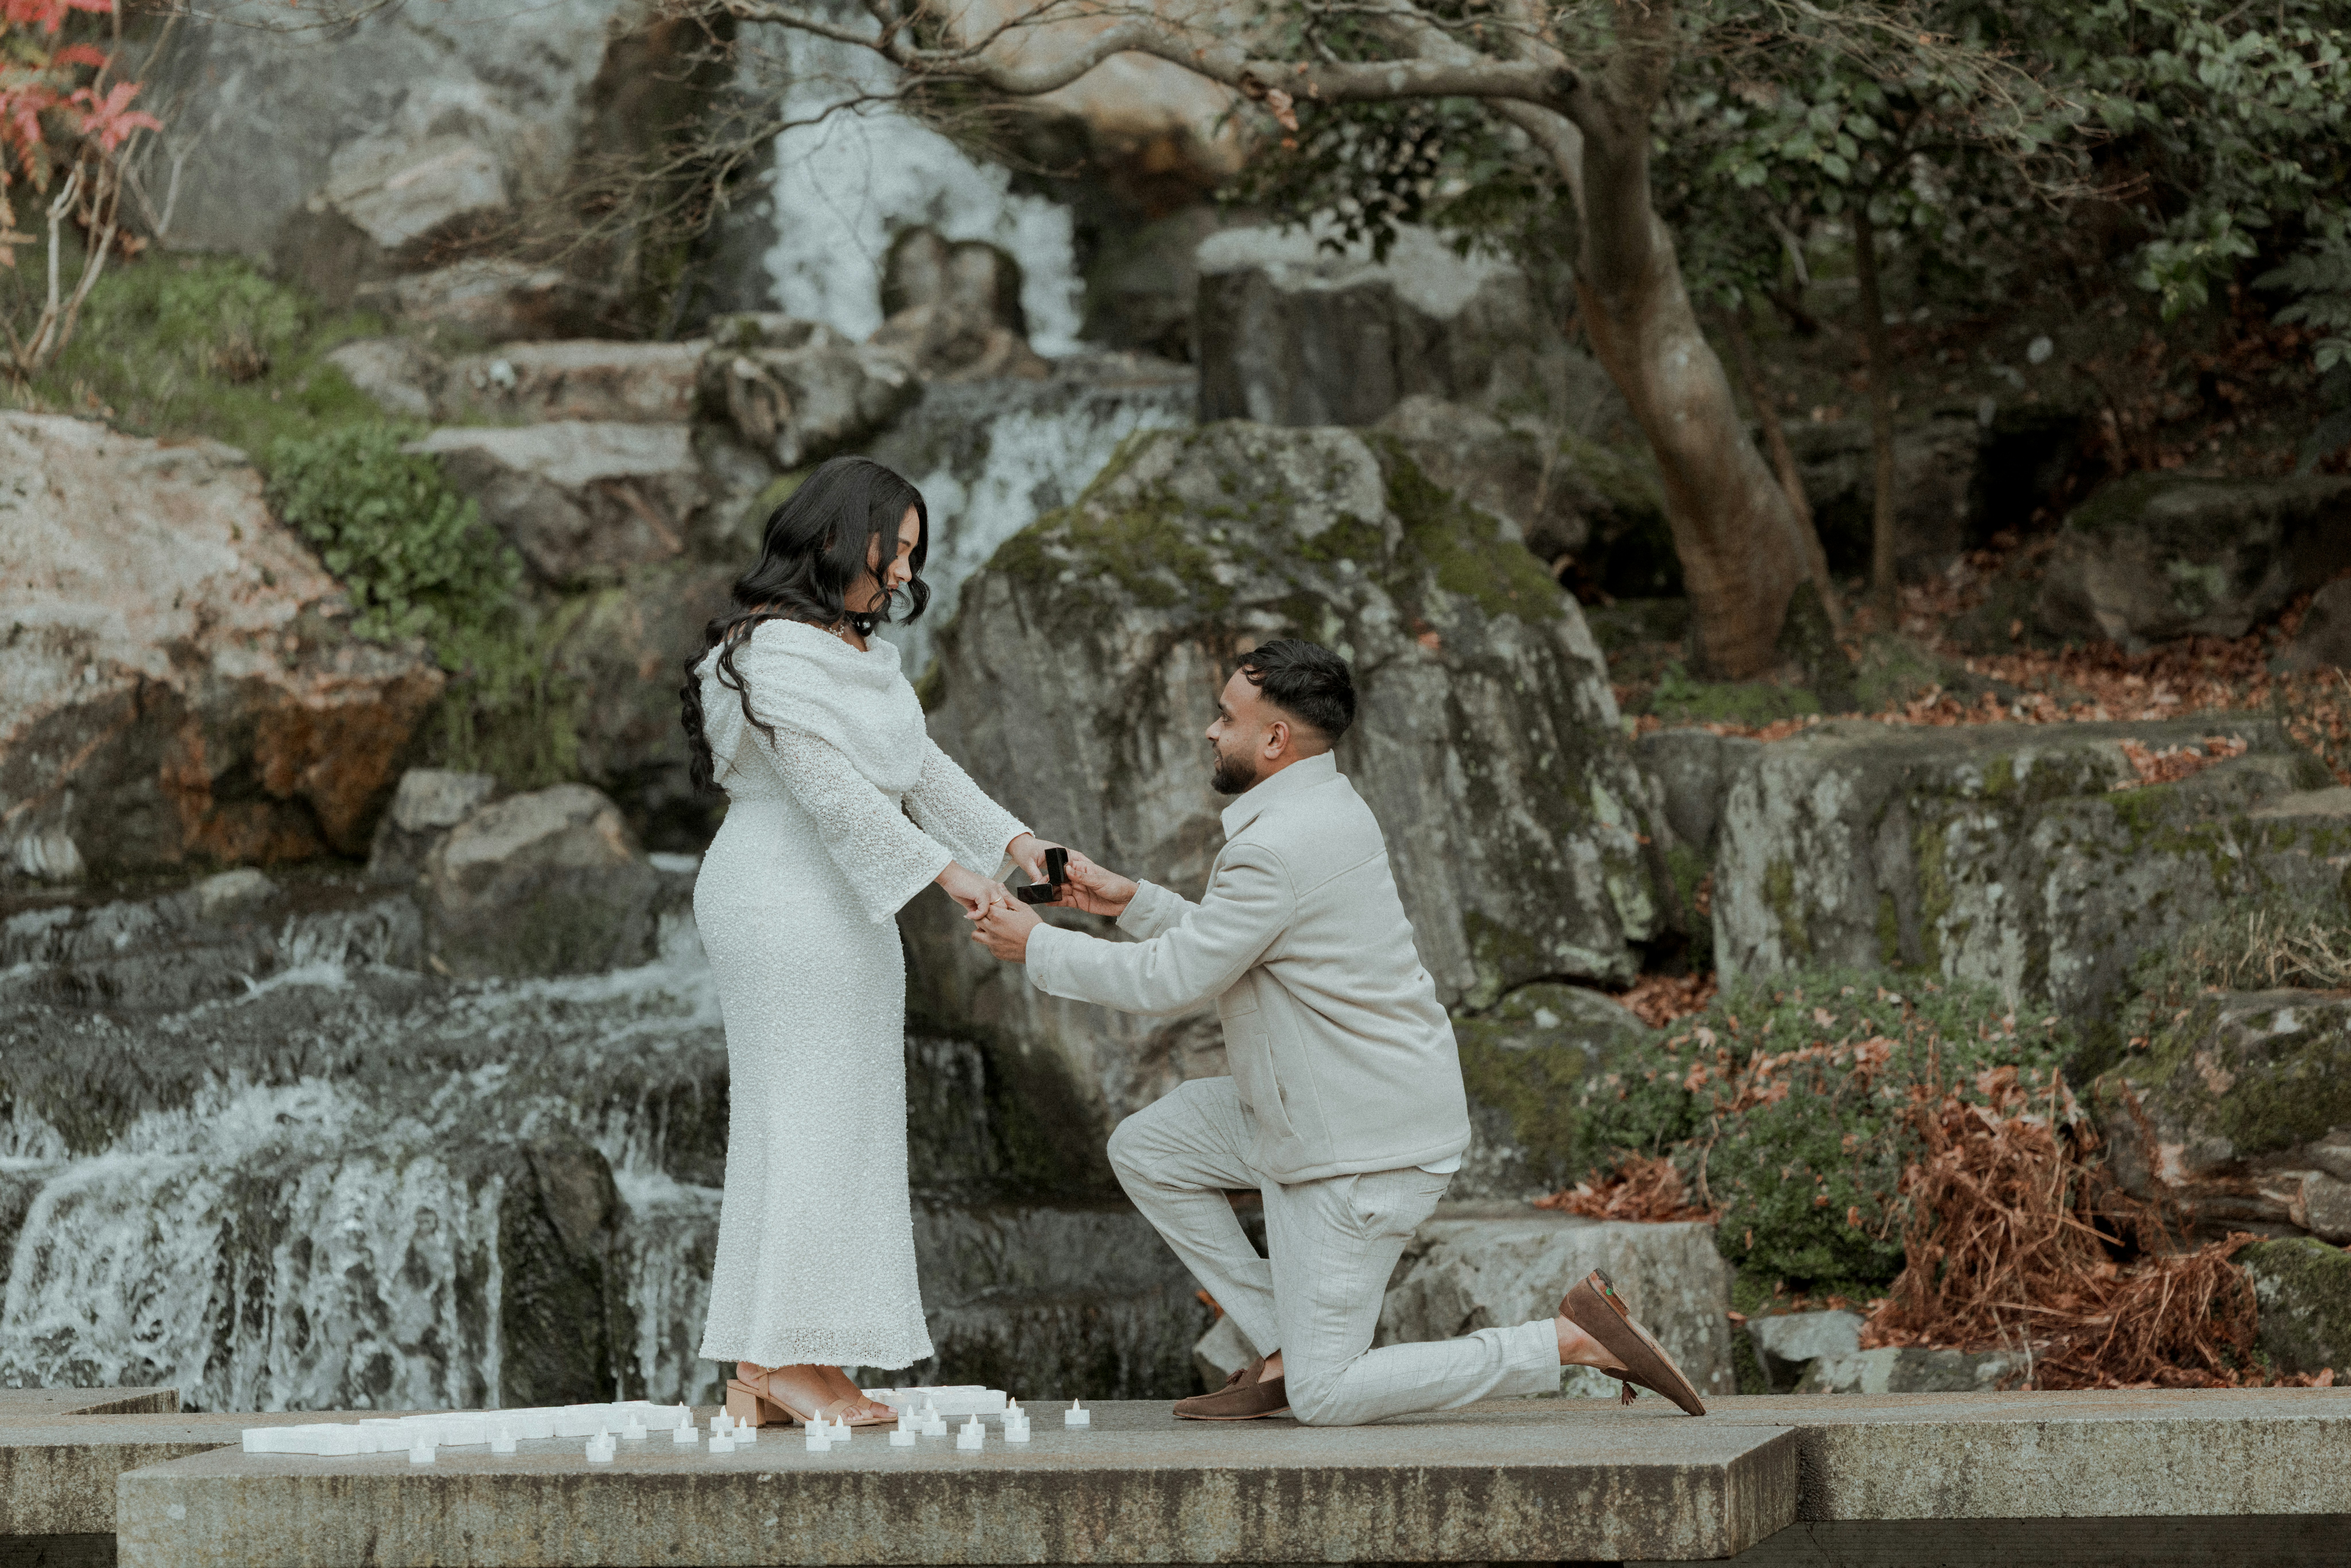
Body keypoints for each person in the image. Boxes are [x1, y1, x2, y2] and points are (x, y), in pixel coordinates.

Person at [968, 638, 1707, 1425]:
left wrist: (1037, 947)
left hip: (1357, 1149)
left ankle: (1567, 1340)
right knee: (1151, 1149)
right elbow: (1243, 943)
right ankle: (1287, 1336)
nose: (1211, 732)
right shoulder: (1319, 810)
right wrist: (1127, 902)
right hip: (1315, 1107)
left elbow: (1175, 978)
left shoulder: (1278, 846)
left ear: (1276, 739)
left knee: (1327, 1396)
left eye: (1226, 717)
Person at [679, 455, 1052, 1429]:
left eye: (914, 560)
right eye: (894, 555)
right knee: (803, 1118)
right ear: (839, 539)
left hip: (848, 902)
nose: (901, 579)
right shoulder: (764, 653)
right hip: (779, 894)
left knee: (847, 1122)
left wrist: (1017, 845)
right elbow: (831, 794)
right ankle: (777, 1357)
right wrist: (952, 875)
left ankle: (802, 1354)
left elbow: (917, 768)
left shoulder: (859, 656)